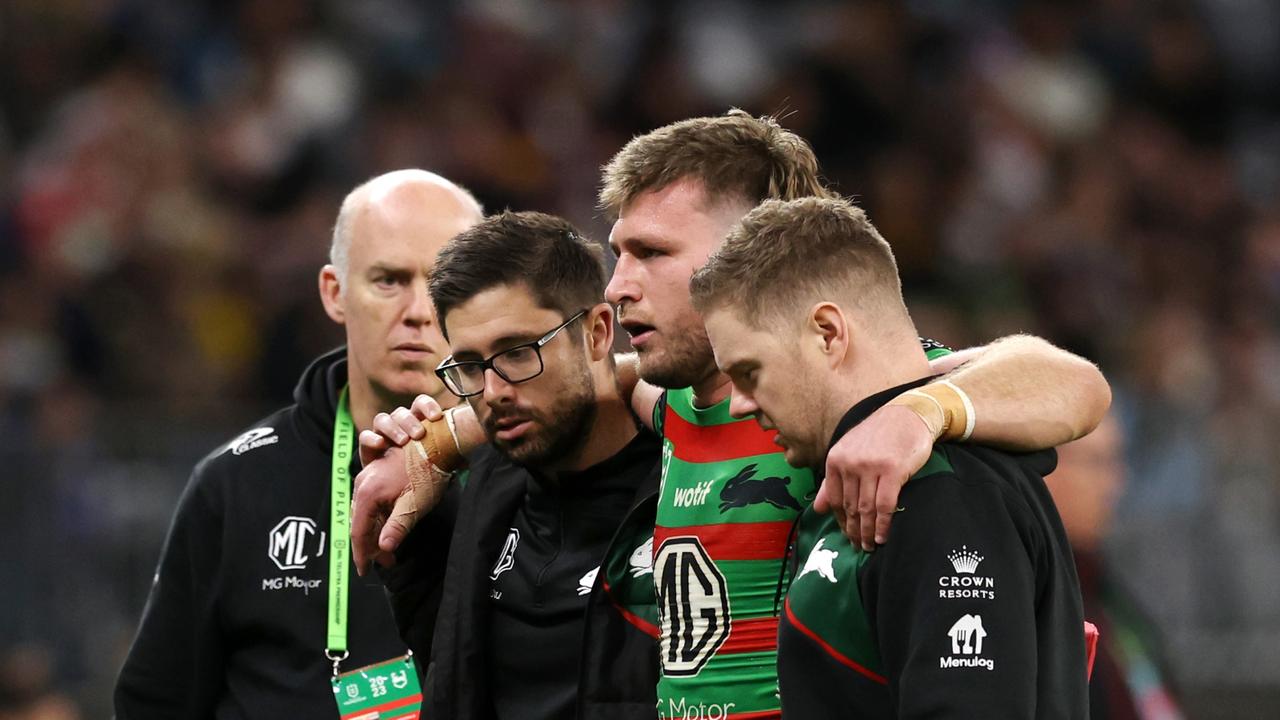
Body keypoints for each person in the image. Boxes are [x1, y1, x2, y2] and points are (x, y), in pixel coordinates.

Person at [355, 111, 1111, 720]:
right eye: (618, 252)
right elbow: (579, 385)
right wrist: (435, 445)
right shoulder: (676, 402)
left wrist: (922, 412)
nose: (616, 288)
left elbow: (1076, 387)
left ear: (752, 247)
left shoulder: (835, 395)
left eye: (650, 252)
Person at [689, 195, 1089, 717]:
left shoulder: (937, 490)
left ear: (828, 333)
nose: (739, 404)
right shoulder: (866, 477)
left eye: (749, 373)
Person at [114, 169, 483, 718]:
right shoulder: (234, 484)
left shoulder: (530, 469)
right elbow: (155, 703)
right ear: (334, 293)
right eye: (388, 280)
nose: (418, 311)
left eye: (443, 284)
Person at [357, 210, 661, 719]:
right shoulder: (482, 494)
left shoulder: (684, 482)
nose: (493, 393)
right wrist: (415, 535)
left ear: (597, 333)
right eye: (470, 366)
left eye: (518, 353)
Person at [1048, 416, 1185, 719]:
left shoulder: (1105, 589)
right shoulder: (1036, 594)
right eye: (1099, 462)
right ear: (1044, 467)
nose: (1117, 482)